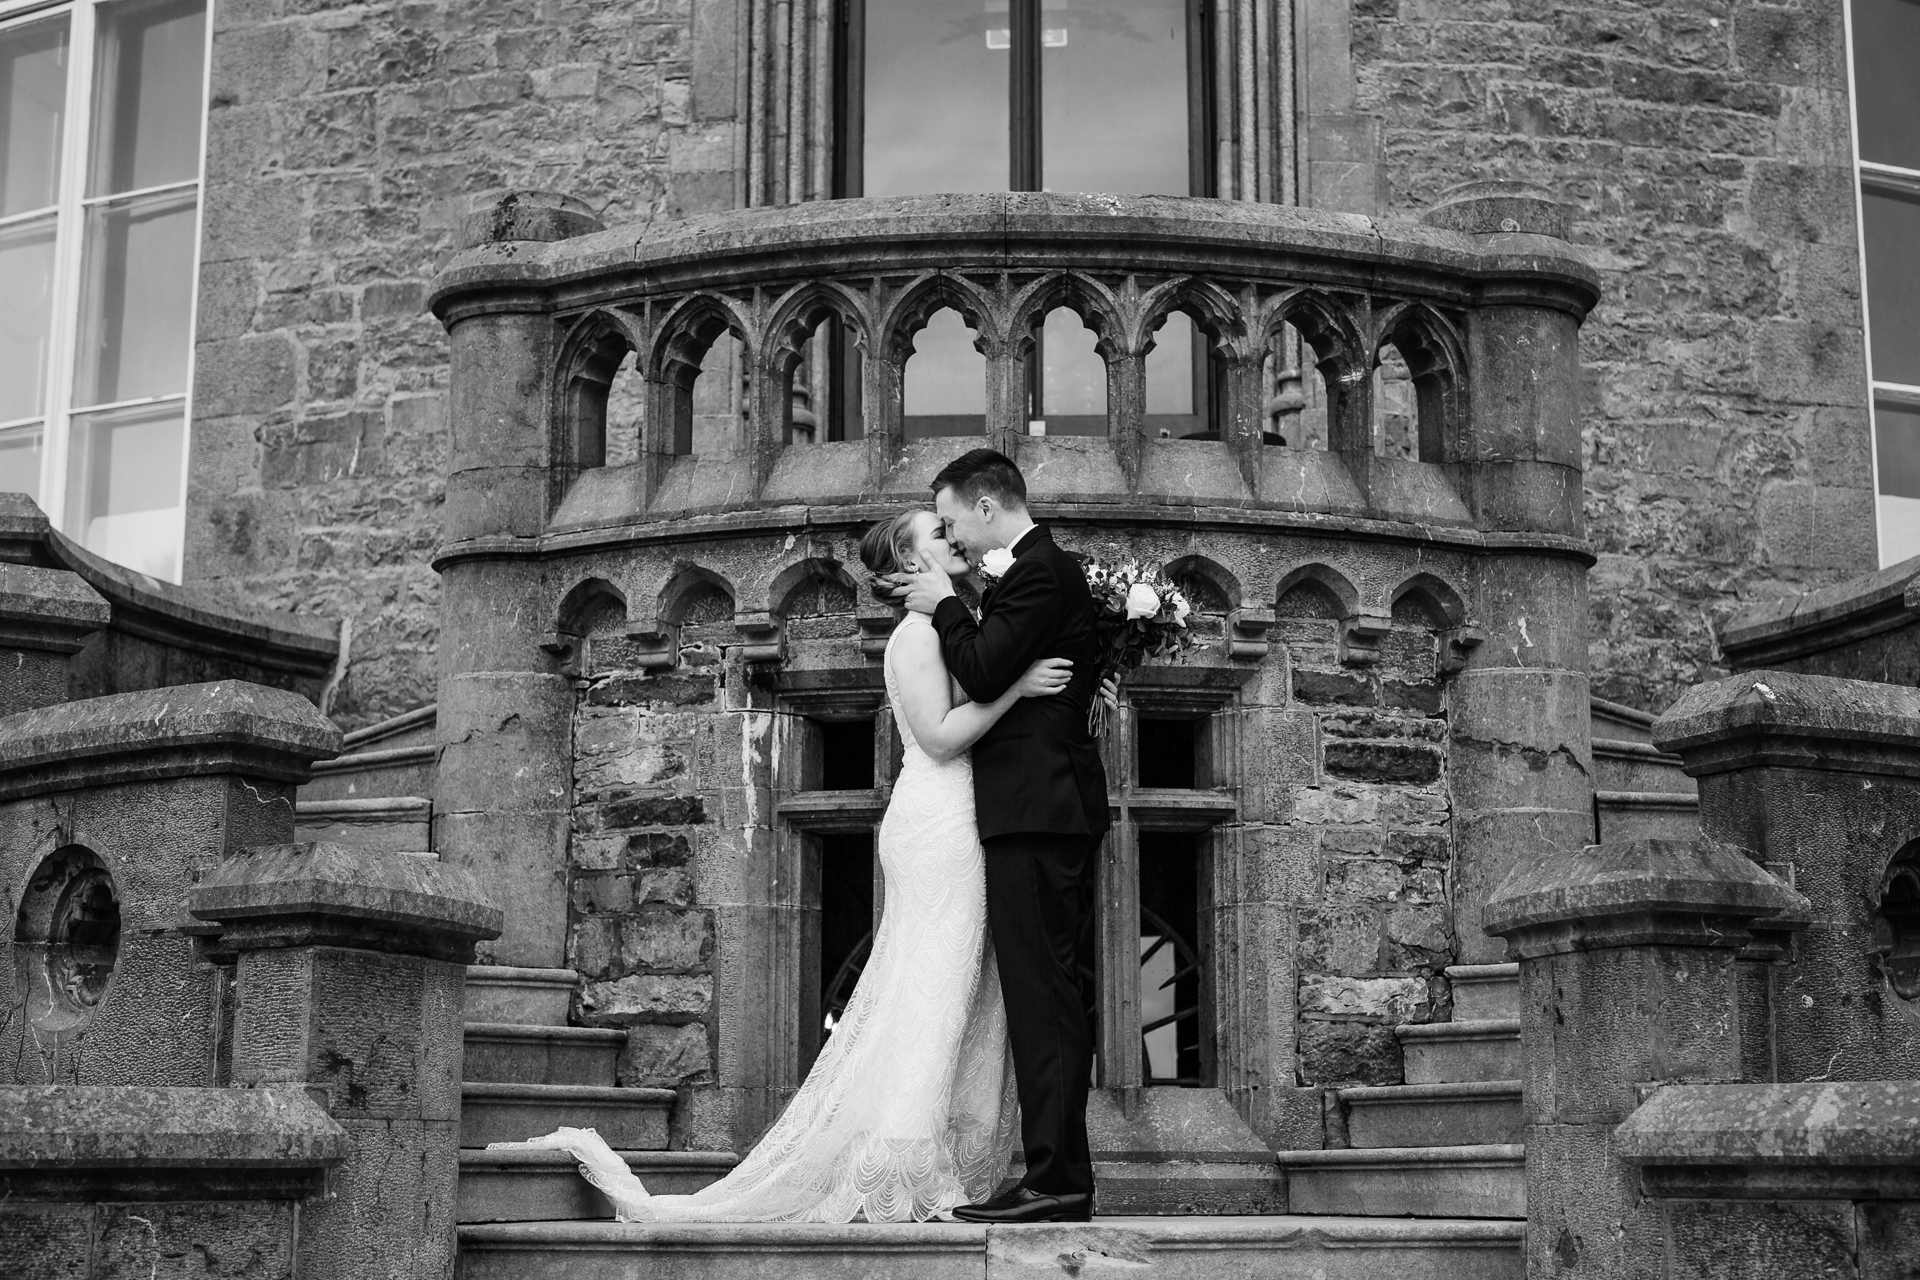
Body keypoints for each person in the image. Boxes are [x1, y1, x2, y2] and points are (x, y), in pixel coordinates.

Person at [487, 505, 1074, 1223]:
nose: (954, 540)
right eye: (938, 536)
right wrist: (1020, 688)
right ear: (904, 568)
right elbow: (944, 738)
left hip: (960, 818)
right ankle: (898, 1159)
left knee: (944, 986)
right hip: (938, 822)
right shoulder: (919, 637)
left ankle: (929, 1151)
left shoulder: (946, 629)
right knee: (927, 984)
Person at [885, 447, 1109, 1225]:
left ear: (986, 507)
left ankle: (1057, 1184)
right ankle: (1056, 1177)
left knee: (1045, 996)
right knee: (1045, 995)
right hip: (1031, 809)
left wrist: (947, 600)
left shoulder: (1041, 571)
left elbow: (980, 670)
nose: (951, 535)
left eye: (952, 519)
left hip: (1037, 810)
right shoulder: (1032, 573)